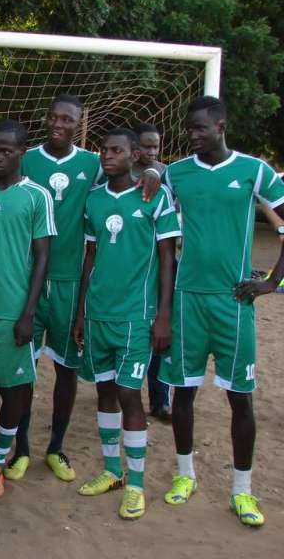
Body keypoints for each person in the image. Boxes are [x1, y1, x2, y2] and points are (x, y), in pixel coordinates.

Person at [11, 94, 160, 483]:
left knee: (66, 369)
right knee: (25, 369)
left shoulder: (93, 164)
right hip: (28, 281)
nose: (59, 124)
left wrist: (154, 173)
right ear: (45, 119)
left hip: (71, 283)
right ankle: (21, 449)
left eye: (68, 119)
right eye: (53, 116)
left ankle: (56, 448)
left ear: (79, 125)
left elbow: (132, 177)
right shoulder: (27, 160)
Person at [158, 96, 284, 527]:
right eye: (189, 128)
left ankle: (242, 492)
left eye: (200, 128)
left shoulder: (253, 170)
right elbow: (158, 226)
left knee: (240, 400)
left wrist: (271, 281)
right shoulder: (177, 174)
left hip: (234, 303)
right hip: (187, 301)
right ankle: (184, 475)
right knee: (183, 394)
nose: (193, 134)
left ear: (221, 126)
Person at [72, 128, 179, 520]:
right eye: (104, 150)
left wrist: (163, 315)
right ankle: (112, 471)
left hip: (137, 316)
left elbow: (168, 258)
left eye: (117, 150)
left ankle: (135, 485)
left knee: (130, 394)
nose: (107, 155)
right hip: (99, 314)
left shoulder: (155, 195)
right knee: (104, 391)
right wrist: (82, 311)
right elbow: (90, 257)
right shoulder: (95, 199)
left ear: (136, 155)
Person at [0, 119, 55, 499]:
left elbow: (42, 258)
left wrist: (28, 313)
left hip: (12, 314)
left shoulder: (37, 196)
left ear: (22, 152)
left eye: (6, 150)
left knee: (16, 393)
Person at [133, 122, 172, 421]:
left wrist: (155, 171)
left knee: (159, 332)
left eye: (155, 146)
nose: (151, 152)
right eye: (146, 146)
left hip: (159, 265)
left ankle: (160, 399)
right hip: (127, 269)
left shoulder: (164, 174)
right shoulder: (116, 173)